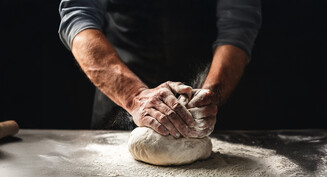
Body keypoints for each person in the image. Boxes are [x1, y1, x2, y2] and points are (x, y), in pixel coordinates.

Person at [58, 0, 261, 138]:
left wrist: (210, 95)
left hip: (215, 99)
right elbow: (79, 19)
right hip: (120, 95)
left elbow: (238, 25)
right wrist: (134, 96)